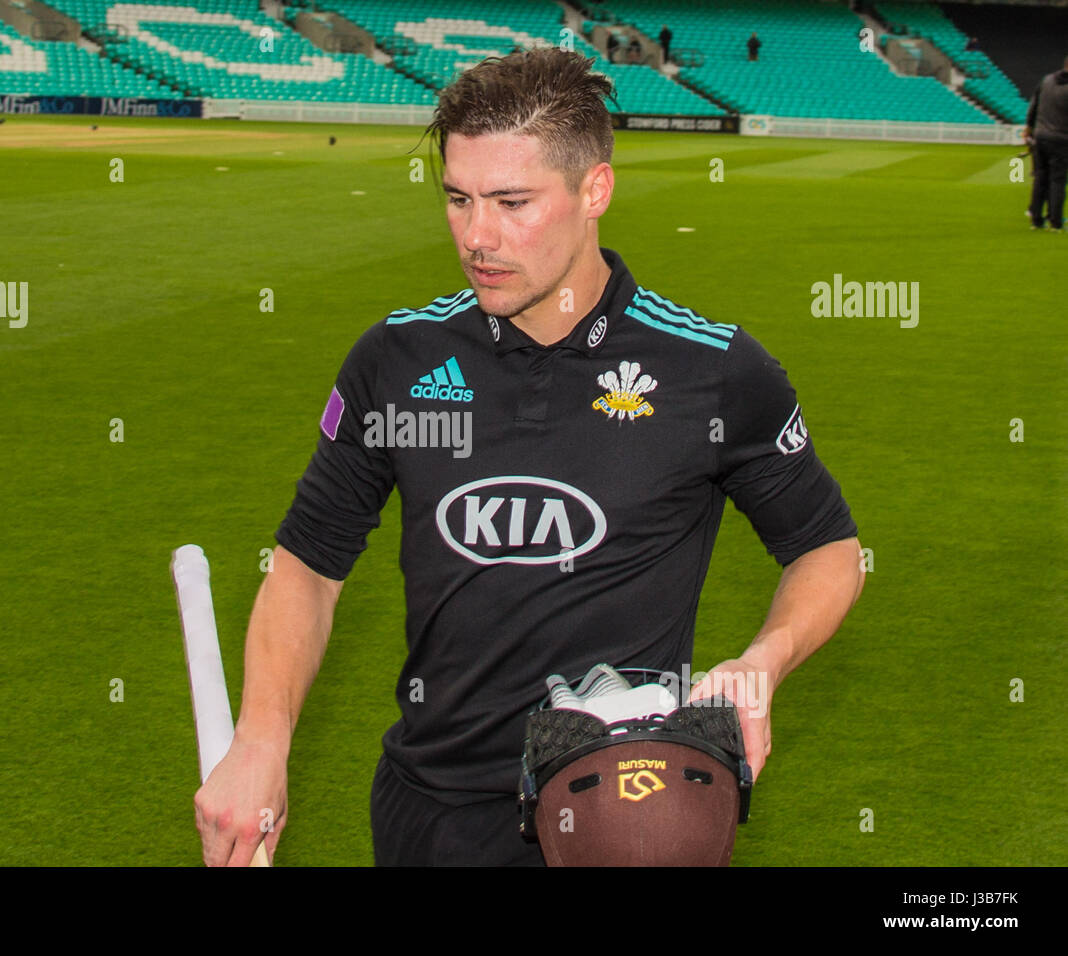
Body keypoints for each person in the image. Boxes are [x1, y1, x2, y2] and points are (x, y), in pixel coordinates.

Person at [194, 47, 864, 868]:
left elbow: (828, 550)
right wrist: (263, 736)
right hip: (428, 815)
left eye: (513, 202)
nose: (479, 237)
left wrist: (764, 662)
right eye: (458, 199)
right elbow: (308, 566)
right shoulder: (398, 363)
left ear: (595, 191)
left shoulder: (712, 372)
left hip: (628, 818)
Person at [1025, 54, 1068, 232]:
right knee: (1057, 180)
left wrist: (1028, 128)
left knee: (1040, 178)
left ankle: (1036, 219)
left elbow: (1033, 107)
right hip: (1061, 138)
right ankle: (1055, 221)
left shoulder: (1046, 80)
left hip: (1040, 136)